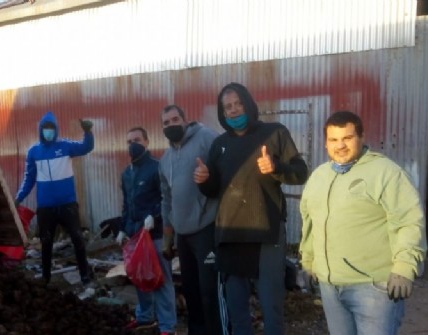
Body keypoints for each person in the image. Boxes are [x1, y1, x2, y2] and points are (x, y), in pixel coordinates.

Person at [194, 82, 308, 335]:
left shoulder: (275, 133)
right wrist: (204, 180)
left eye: (238, 104)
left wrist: (276, 167)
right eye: (227, 107)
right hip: (230, 234)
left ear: (248, 103)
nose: (233, 111)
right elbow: (214, 191)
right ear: (222, 113)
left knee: (271, 305)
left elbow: (301, 173)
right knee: (237, 310)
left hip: (266, 231)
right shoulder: (219, 144)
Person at [299, 111, 426, 335]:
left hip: (373, 288)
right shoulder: (319, 177)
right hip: (330, 288)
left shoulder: (385, 173)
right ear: (326, 143)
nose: (340, 146)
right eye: (333, 140)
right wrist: (309, 262)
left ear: (362, 137)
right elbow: (310, 223)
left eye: (347, 138)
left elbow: (408, 221)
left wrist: (404, 268)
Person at [158, 104, 222, 335]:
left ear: (185, 120)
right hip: (183, 235)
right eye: (166, 123)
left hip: (206, 228)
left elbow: (224, 168)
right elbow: (166, 199)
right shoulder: (165, 159)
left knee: (210, 291)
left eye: (175, 119)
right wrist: (168, 239)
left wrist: (210, 175)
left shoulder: (205, 138)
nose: (171, 125)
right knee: (192, 291)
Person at [14, 111, 94, 285]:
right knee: (46, 242)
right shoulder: (34, 152)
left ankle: (85, 275)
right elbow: (29, 178)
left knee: (77, 238)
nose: (48, 132)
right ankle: (46, 277)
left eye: (51, 128)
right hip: (46, 207)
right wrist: (18, 198)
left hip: (67, 205)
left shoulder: (65, 146)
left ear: (56, 129)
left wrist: (88, 133)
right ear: (40, 130)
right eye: (45, 129)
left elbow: (86, 148)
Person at [117, 126, 177, 335]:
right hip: (135, 235)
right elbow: (127, 205)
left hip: (157, 233)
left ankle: (167, 326)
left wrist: (155, 215)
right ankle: (145, 316)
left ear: (147, 142)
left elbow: (166, 198)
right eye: (129, 141)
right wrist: (123, 229)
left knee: (162, 278)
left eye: (137, 140)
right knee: (140, 276)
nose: (133, 144)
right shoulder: (127, 174)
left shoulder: (156, 168)